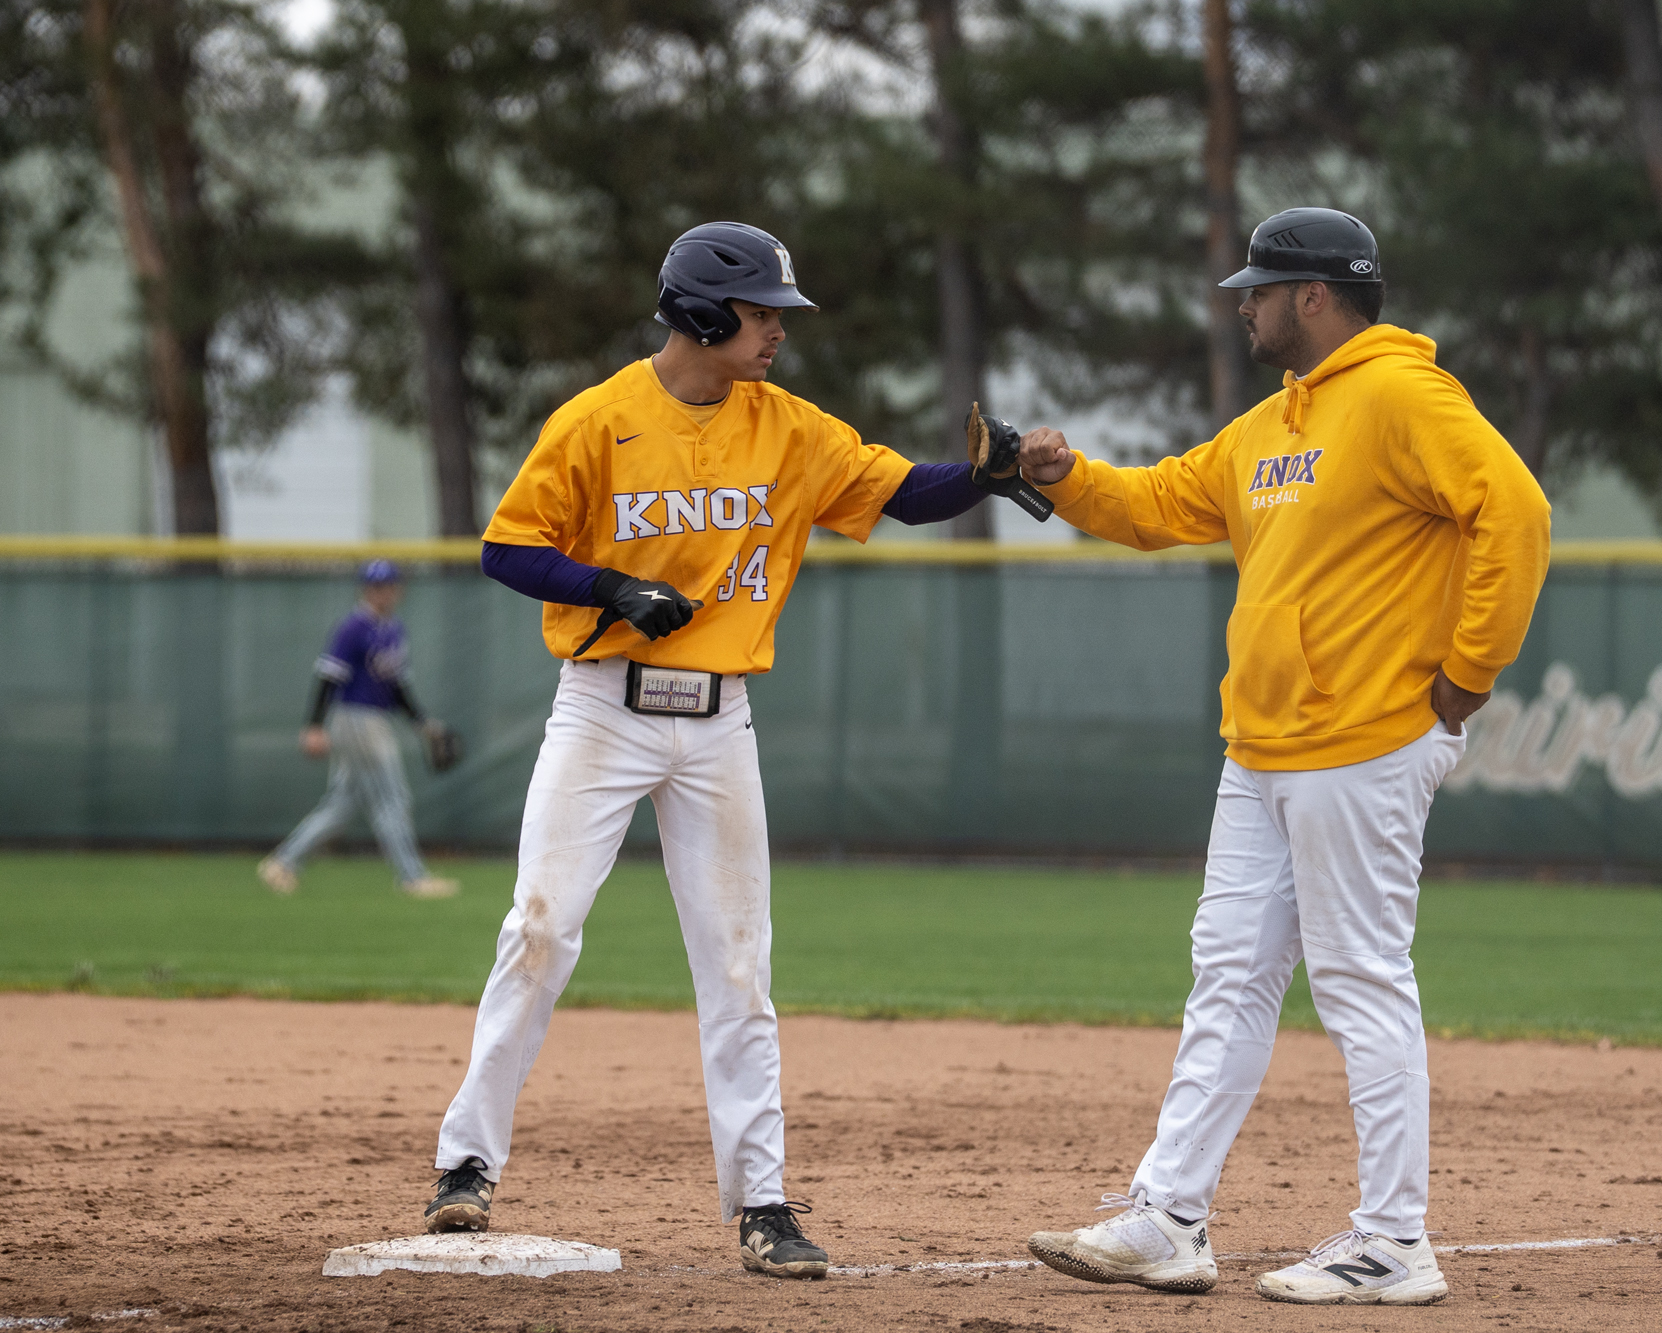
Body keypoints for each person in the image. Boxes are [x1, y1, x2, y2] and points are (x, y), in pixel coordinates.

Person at [423, 222, 1000, 1278]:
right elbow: (507, 546)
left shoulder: (786, 427)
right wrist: (609, 586)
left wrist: (981, 474)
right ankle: (465, 1163)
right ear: (698, 314)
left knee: (739, 964)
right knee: (539, 929)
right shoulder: (598, 420)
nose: (778, 331)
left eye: (779, 314)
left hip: (717, 722)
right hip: (601, 710)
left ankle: (763, 1203)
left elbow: (897, 491)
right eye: (761, 313)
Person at [1018, 208, 1551, 1306]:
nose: (1244, 304)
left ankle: (1394, 1240)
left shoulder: (1403, 396)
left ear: (1313, 296)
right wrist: (1066, 475)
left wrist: (1466, 676)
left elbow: (1514, 511)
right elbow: (1159, 502)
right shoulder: (1272, 425)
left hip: (1362, 740)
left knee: (1359, 979)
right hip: (1259, 747)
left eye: (1258, 289)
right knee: (1227, 976)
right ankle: (1168, 1216)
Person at [258, 560, 460, 900]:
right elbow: (328, 676)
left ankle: (283, 862)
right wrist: (314, 725)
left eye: (389, 585)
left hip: (376, 718)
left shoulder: (393, 629)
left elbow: (397, 686)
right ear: (365, 590)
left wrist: (421, 722)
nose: (383, 592)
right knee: (392, 797)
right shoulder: (353, 627)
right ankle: (412, 877)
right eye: (376, 586)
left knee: (342, 804)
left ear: (398, 589)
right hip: (356, 718)